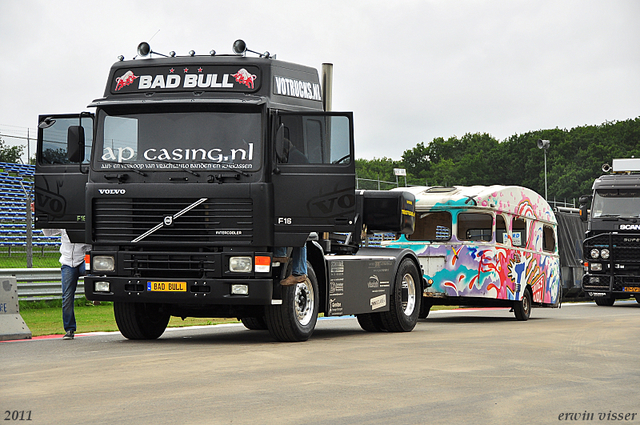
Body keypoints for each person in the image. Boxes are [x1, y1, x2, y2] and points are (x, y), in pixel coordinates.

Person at [43, 229, 91, 340]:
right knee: (67, 297)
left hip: (84, 259)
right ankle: (69, 329)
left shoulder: (87, 221)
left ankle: (92, 293)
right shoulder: (63, 223)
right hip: (68, 263)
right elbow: (47, 232)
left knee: (93, 268)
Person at [274, 138, 309, 286]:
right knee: (294, 232)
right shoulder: (299, 156)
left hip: (298, 201)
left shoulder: (295, 157)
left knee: (298, 235)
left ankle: (299, 271)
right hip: (301, 200)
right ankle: (282, 256)